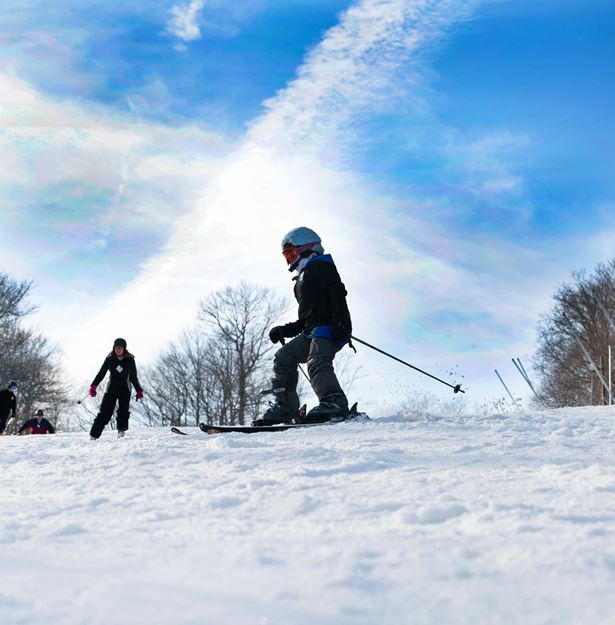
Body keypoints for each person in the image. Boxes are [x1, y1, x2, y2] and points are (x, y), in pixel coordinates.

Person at [254, 227, 352, 425]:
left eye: (291, 253)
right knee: (283, 358)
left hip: (329, 327)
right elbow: (305, 320)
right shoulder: (300, 281)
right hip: (312, 331)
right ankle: (285, 406)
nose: (289, 260)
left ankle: (334, 401)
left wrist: (340, 322)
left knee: (316, 359)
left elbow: (337, 292)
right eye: (286, 255)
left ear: (307, 248)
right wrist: (285, 330)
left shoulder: (321, 266)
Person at [88, 338, 143, 439]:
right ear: (113, 348)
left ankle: (121, 431)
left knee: (123, 411)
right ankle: (94, 435)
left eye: (120, 348)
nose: (118, 350)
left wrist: (139, 390)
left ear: (124, 348)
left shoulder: (130, 360)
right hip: (111, 389)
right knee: (105, 412)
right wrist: (93, 386)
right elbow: (101, 374)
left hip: (125, 390)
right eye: (116, 347)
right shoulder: (109, 359)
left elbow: (133, 377)